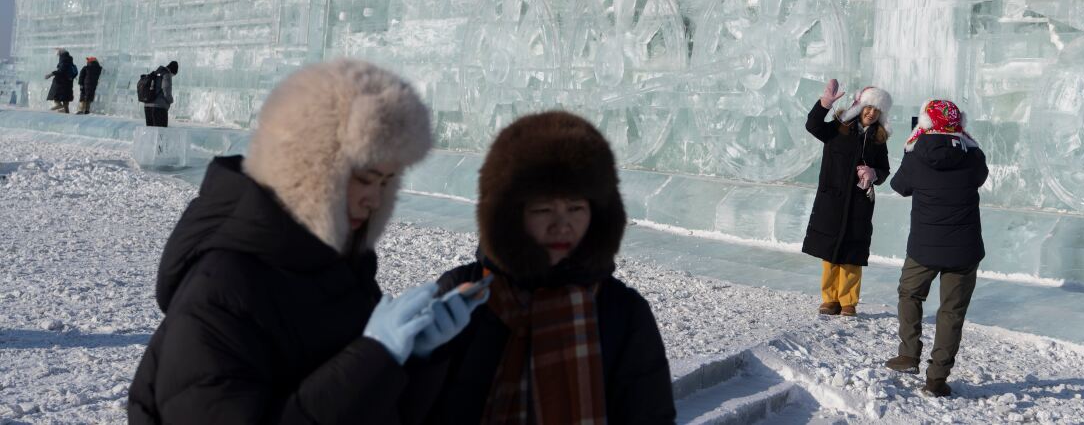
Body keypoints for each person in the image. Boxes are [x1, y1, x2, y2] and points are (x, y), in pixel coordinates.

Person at [129, 59, 473, 424]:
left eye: (386, 183)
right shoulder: (223, 290)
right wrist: (374, 359)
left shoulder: (341, 270)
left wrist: (418, 358)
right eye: (364, 178)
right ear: (309, 165)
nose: (374, 199)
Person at [401, 110, 675, 424]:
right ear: (509, 214)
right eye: (543, 209)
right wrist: (423, 356)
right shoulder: (464, 294)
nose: (562, 225)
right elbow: (408, 410)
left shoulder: (623, 312)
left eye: (576, 208)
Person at [884, 99, 989, 398]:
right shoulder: (973, 156)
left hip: (924, 248)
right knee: (951, 312)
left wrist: (910, 146)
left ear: (926, 124)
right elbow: (980, 178)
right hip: (964, 250)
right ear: (960, 125)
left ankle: (908, 353)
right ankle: (936, 379)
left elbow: (899, 187)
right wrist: (968, 142)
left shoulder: (916, 154)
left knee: (910, 293)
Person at [801, 79, 892, 317]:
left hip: (859, 204)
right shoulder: (837, 128)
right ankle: (830, 299)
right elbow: (812, 125)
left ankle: (848, 301)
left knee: (852, 254)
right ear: (860, 107)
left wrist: (874, 174)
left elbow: (884, 170)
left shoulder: (878, 139)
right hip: (832, 201)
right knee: (830, 253)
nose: (871, 113)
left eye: (876, 110)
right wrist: (823, 105)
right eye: (868, 108)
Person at [143, 61, 179, 127]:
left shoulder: (155, 73)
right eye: (173, 75)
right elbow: (166, 92)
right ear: (173, 71)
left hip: (147, 106)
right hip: (159, 108)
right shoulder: (166, 74)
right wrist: (171, 101)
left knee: (150, 133)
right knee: (161, 133)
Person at [45, 48, 77, 113]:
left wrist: (51, 74)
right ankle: (66, 112)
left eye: (57, 52)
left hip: (61, 82)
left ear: (60, 53)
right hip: (68, 82)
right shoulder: (68, 59)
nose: (56, 54)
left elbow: (61, 71)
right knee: (65, 99)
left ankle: (57, 106)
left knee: (56, 96)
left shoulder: (64, 59)